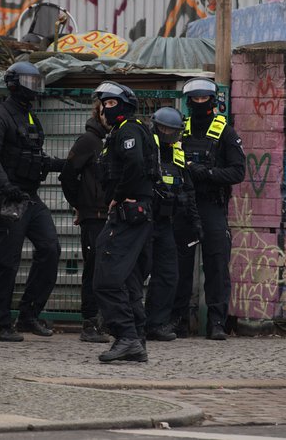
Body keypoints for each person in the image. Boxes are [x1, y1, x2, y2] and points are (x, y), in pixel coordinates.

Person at [0, 61, 64, 342]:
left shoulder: (30, 117)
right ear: (13, 83)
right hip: (9, 198)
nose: (34, 88)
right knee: (7, 262)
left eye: (36, 82)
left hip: (30, 197)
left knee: (50, 249)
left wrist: (66, 165)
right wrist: (6, 188)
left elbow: (35, 156)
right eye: (28, 82)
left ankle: (29, 315)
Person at [172, 77, 245, 340]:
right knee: (179, 265)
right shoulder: (181, 128)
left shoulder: (225, 131)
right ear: (189, 102)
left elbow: (238, 171)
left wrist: (208, 173)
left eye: (204, 99)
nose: (199, 103)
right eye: (195, 99)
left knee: (216, 265)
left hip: (212, 205)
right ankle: (177, 321)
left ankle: (216, 322)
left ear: (212, 101)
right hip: (183, 206)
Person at [93, 81, 159, 362]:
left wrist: (118, 197)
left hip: (128, 214)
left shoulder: (128, 129)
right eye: (103, 105)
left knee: (106, 279)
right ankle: (136, 338)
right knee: (129, 279)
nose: (105, 110)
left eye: (110, 104)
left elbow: (133, 165)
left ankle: (127, 337)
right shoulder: (129, 131)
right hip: (137, 214)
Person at [145, 107, 202, 342]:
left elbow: (188, 191)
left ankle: (155, 324)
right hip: (143, 222)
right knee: (136, 273)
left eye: (173, 130)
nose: (169, 133)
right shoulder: (147, 151)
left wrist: (195, 220)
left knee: (168, 274)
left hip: (167, 223)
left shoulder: (177, 156)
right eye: (165, 129)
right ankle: (126, 322)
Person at [59, 96, 110, 343]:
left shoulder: (113, 141)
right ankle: (90, 323)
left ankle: (106, 320)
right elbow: (67, 176)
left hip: (111, 217)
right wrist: (79, 204)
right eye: (104, 111)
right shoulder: (89, 141)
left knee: (109, 270)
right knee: (93, 270)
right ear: (97, 113)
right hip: (94, 218)